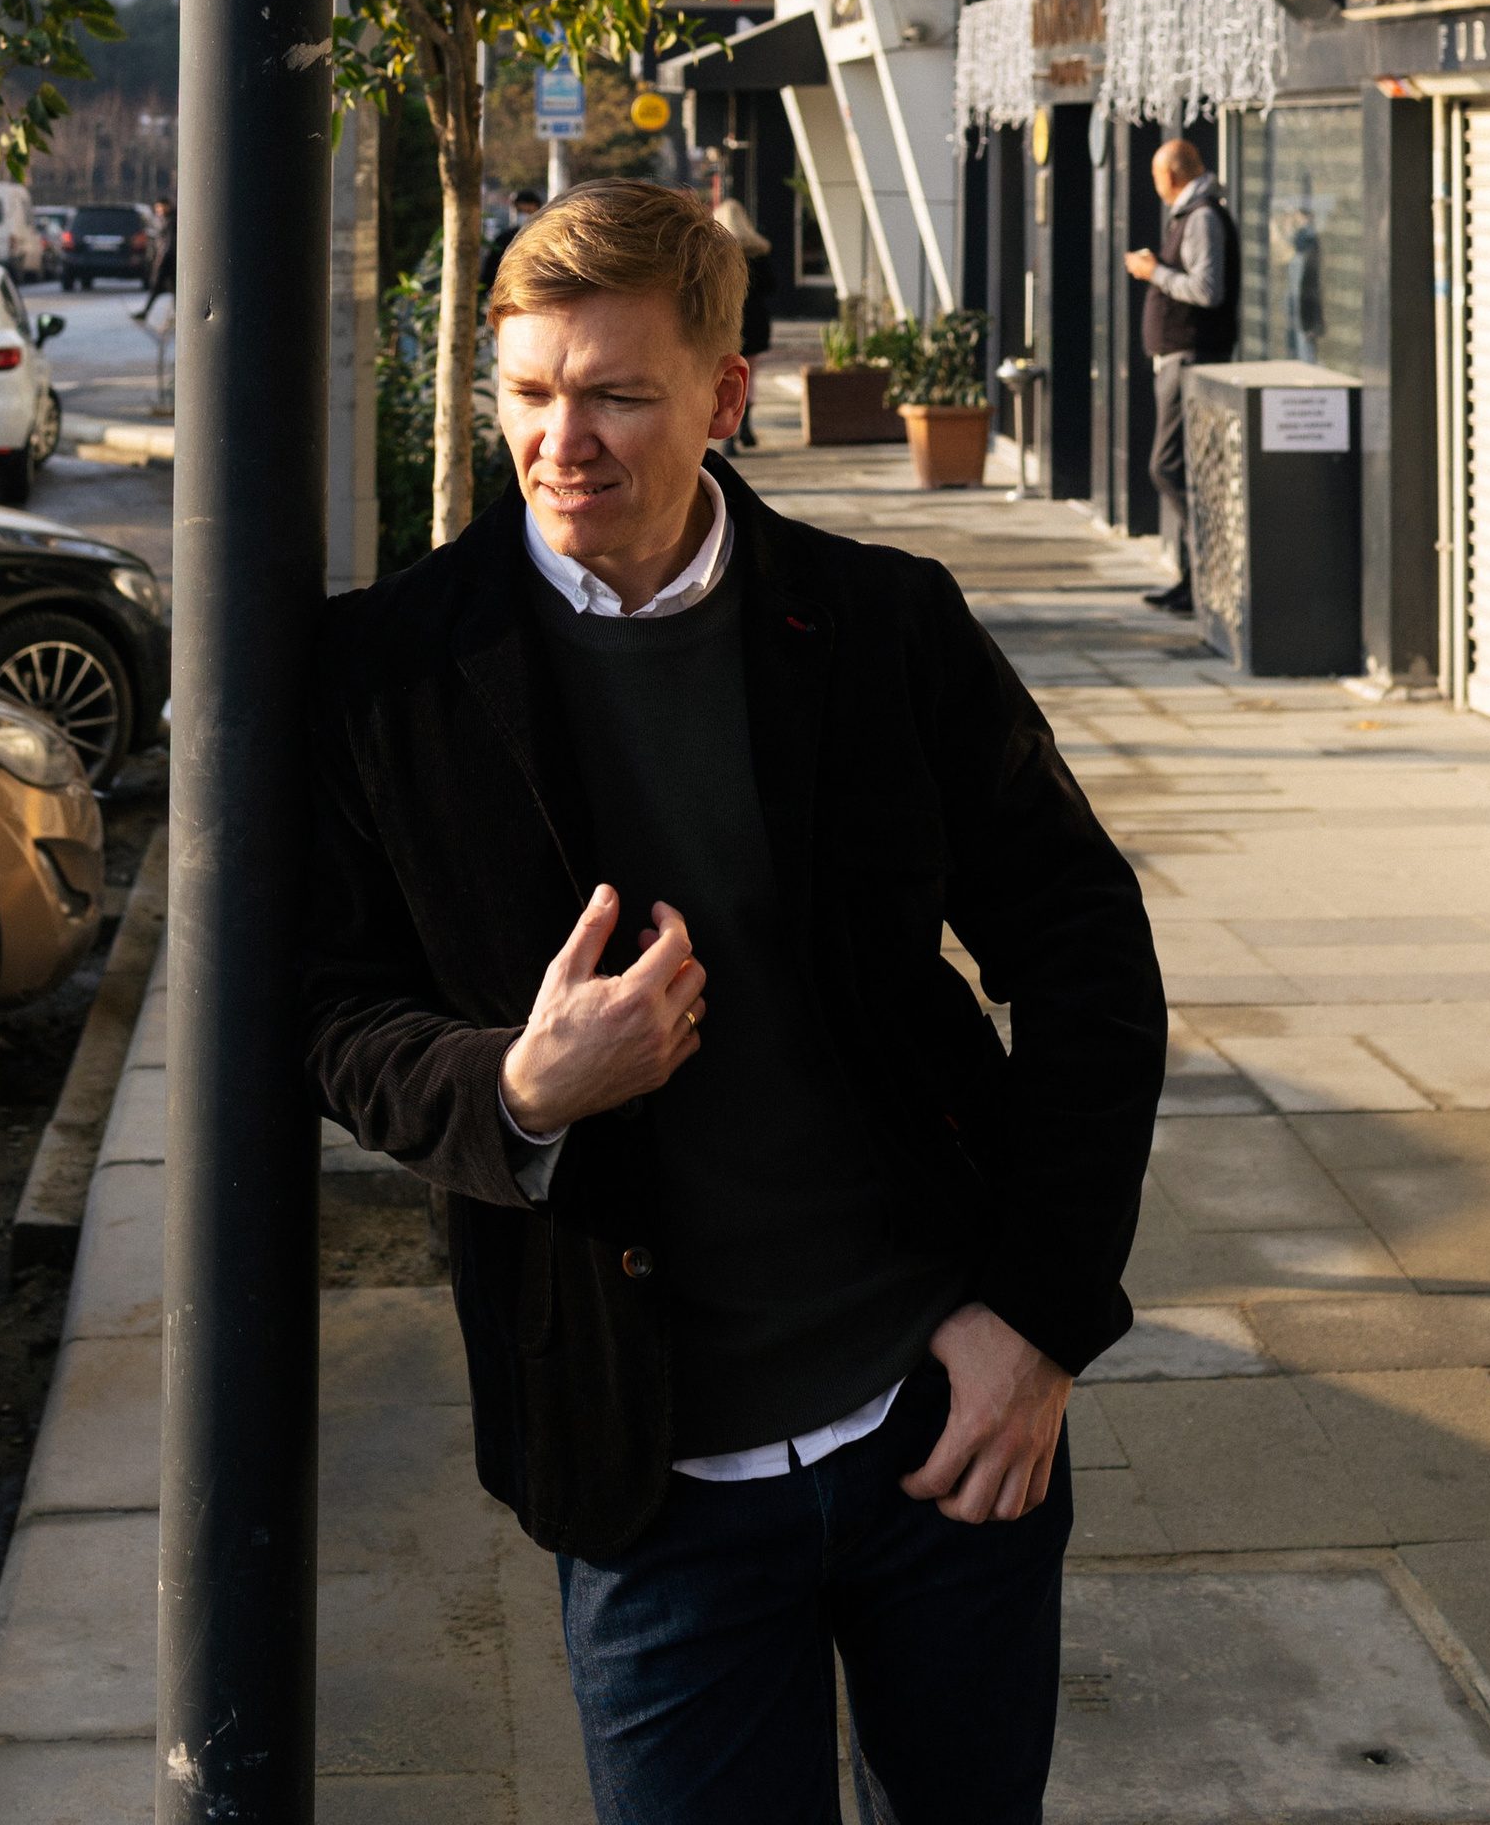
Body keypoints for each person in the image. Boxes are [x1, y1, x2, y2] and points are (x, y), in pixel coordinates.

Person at [306, 180, 1165, 1825]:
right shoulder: (385, 681)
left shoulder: (879, 626)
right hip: (646, 1480)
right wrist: (521, 1087)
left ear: (722, 395)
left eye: (620, 395)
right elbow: (337, 1020)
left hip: (943, 1429)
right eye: (532, 395)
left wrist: (1041, 1321)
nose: (567, 443)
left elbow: (1083, 949)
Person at [1122, 135, 1235, 615]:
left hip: (1190, 359)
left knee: (1166, 467)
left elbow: (1208, 290)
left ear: (1170, 175)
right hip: (1177, 359)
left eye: (1154, 176)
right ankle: (1193, 579)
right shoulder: (1191, 215)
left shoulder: (1202, 217)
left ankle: (1209, 571)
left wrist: (1154, 273)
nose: (1154, 184)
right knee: (1181, 467)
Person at [709, 167, 773, 449]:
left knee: (724, 375)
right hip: (756, 321)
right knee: (750, 375)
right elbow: (772, 287)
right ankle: (746, 426)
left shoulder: (716, 253)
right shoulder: (759, 251)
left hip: (725, 321)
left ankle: (729, 437)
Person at [480, 183, 543, 299]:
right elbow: (489, 272)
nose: (524, 215)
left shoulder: (545, 238)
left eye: (528, 211)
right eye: (519, 211)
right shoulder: (504, 239)